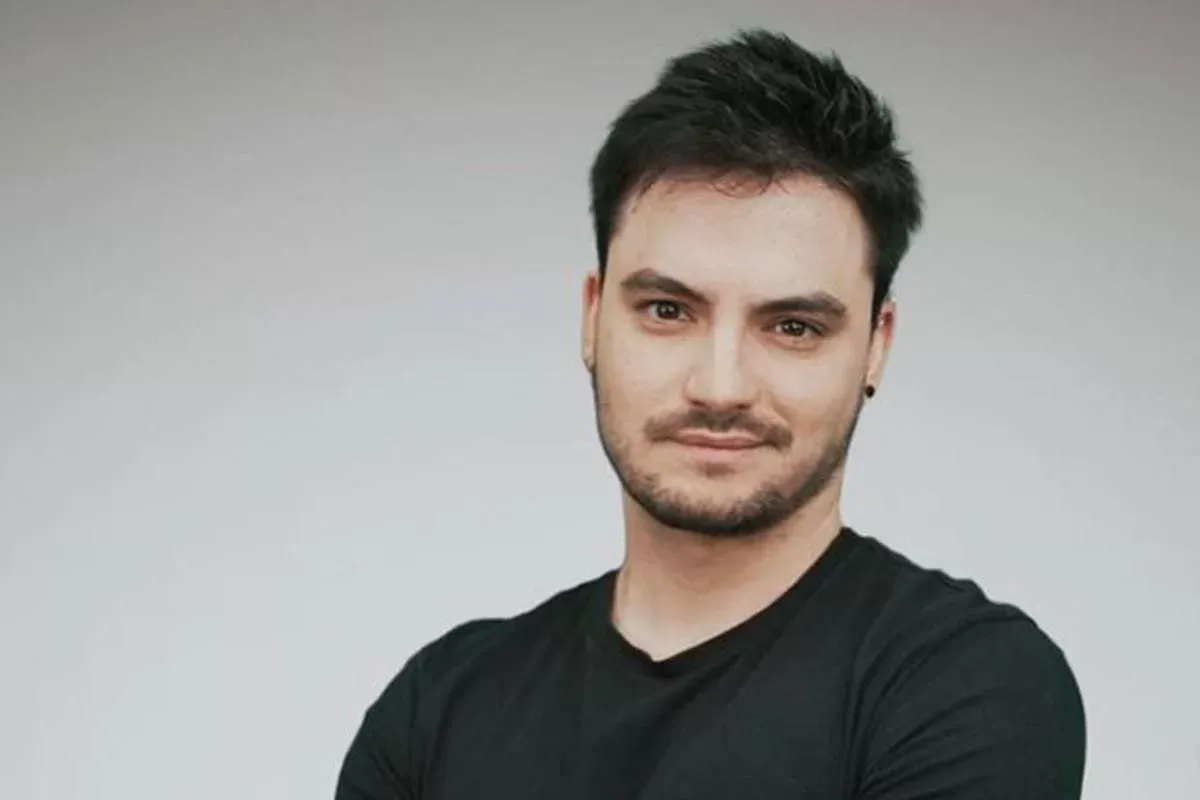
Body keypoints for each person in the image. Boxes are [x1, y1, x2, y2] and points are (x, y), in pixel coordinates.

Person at [334, 28, 1086, 799]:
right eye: (668, 310)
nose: (721, 388)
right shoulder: (439, 707)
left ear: (875, 345)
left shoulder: (964, 684)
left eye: (793, 326)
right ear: (593, 317)